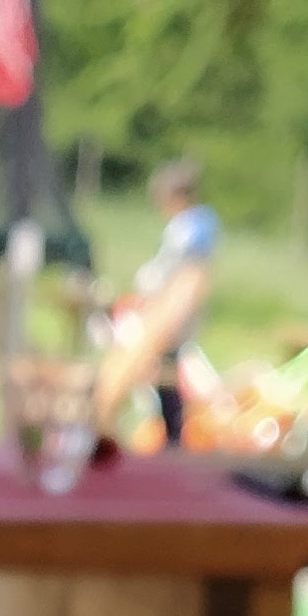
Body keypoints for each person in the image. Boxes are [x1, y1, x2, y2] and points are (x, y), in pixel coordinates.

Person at [96, 157, 221, 443]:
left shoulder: (191, 227)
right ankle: (172, 435)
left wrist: (150, 293)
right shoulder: (192, 225)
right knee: (166, 374)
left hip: (171, 310)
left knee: (144, 362)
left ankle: (150, 428)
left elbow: (177, 271)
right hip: (167, 308)